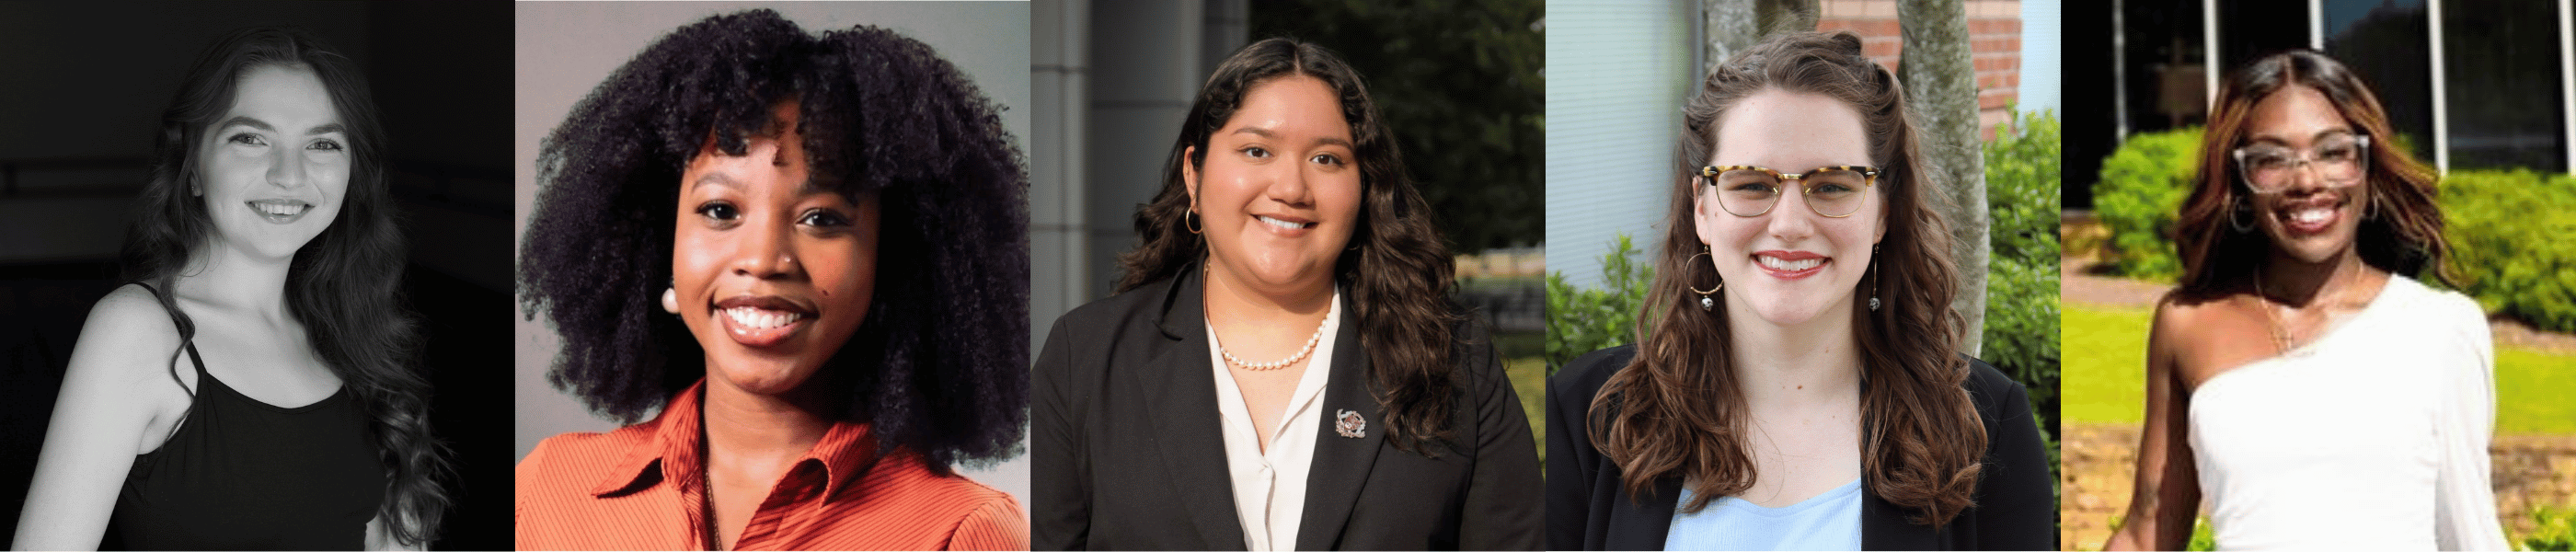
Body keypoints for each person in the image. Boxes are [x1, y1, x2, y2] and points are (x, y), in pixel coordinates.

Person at [512, 10, 1031, 551]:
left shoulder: (961, 532)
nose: (762, 259)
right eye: (719, 210)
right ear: (659, 244)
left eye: (821, 218)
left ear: (892, 258)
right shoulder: (544, 490)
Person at [1546, 31, 2053, 550]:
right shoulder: (1586, 413)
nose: (1789, 224)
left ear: (1883, 211)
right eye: (1751, 184)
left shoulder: (1989, 425)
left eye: (1831, 185)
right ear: (1702, 207)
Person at [1029, 38, 1543, 551]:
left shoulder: (1448, 357)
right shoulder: (1087, 357)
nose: (1292, 188)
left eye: (1326, 159)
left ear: (1365, 187)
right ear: (1194, 173)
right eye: (1257, 151)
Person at [11, 27, 448, 551]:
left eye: (322, 144)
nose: (289, 175)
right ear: (192, 168)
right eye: (251, 138)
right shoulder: (136, 330)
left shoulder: (351, 333)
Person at [2105, 49, 2508, 551]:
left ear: (2367, 167)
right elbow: (2147, 530)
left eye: (2333, 152)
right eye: (2271, 159)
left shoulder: (2439, 328)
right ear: (2239, 182)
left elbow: (2470, 530)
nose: (2307, 181)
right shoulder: (2188, 323)